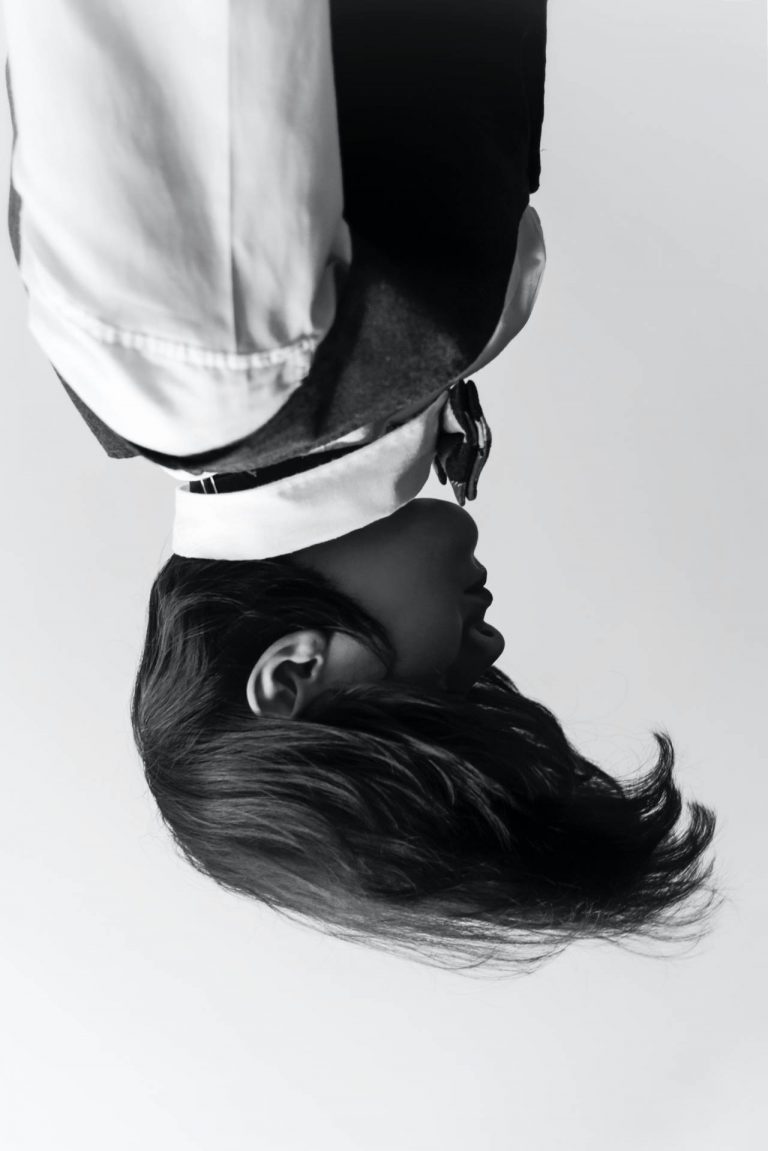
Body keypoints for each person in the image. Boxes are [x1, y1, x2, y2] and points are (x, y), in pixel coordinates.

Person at [3, 0, 717, 974]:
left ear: (293, 674)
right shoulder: (352, 385)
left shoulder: (200, 364)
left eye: (459, 687)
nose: (493, 647)